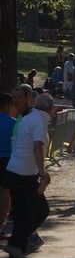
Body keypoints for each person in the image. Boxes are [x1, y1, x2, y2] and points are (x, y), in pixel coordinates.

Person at [4, 93, 54, 258]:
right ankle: (14, 244)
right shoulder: (40, 121)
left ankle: (16, 256)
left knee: (21, 214)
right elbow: (37, 147)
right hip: (25, 173)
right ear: (51, 109)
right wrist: (42, 174)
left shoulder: (28, 117)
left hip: (14, 169)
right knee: (41, 210)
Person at [0, 93, 16, 238]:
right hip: (7, 161)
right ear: (8, 106)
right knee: (5, 195)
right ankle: (0, 227)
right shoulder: (13, 123)